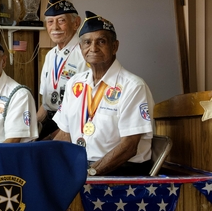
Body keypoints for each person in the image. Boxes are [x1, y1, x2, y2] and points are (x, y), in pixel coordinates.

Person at [53, 12, 154, 176]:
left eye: (101, 41)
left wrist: (90, 174)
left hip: (118, 171)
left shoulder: (133, 87)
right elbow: (65, 134)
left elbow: (129, 147)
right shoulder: (74, 84)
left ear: (114, 47)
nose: (93, 48)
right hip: (81, 167)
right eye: (87, 42)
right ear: (80, 48)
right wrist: (43, 159)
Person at [37, 0, 85, 139]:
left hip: (73, 124)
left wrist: (54, 137)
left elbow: (84, 106)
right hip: (51, 120)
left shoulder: (85, 54)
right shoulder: (50, 55)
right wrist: (31, 126)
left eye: (61, 21)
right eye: (50, 22)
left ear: (76, 23)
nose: (55, 27)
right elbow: (46, 105)